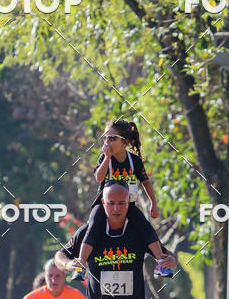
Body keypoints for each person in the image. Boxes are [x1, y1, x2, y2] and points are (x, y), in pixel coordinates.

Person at [71, 119, 172, 279]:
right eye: (105, 138)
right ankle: (81, 265)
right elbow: (99, 178)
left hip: (126, 204)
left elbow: (146, 182)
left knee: (145, 226)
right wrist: (107, 158)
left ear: (124, 142)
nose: (107, 142)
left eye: (112, 138)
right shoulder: (104, 158)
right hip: (104, 205)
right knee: (93, 226)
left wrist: (153, 204)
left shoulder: (134, 161)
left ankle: (161, 262)